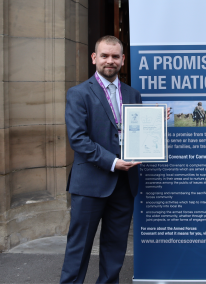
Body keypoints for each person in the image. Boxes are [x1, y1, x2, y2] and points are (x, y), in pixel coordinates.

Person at [60, 35, 140, 284]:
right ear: (94, 58)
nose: (110, 61)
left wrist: (155, 123)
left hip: (124, 185)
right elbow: (78, 139)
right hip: (90, 185)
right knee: (78, 248)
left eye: (115, 56)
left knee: (115, 249)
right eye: (104, 55)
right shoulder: (78, 93)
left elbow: (136, 132)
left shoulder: (133, 94)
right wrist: (113, 162)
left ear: (123, 60)